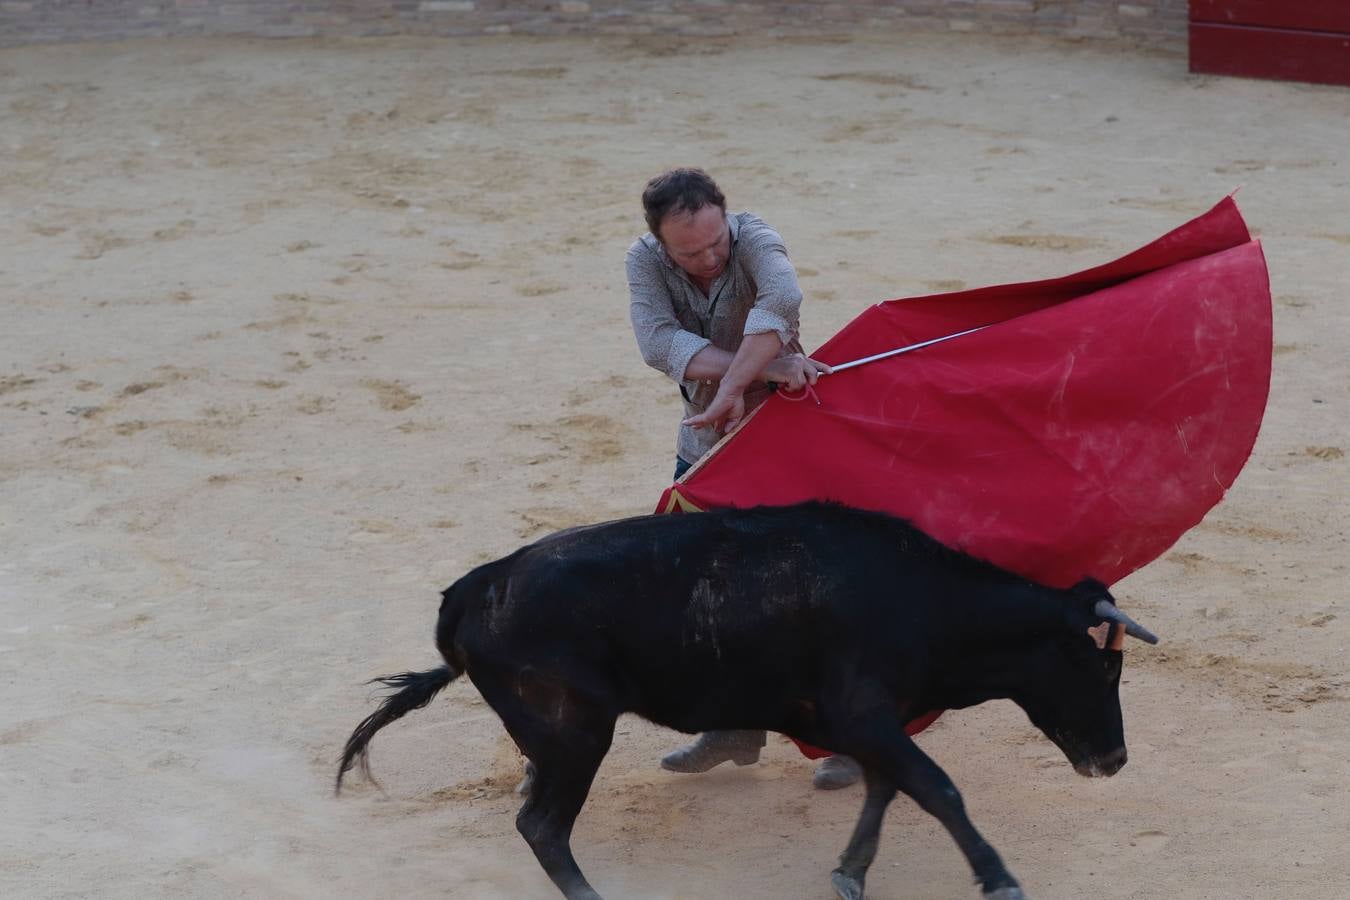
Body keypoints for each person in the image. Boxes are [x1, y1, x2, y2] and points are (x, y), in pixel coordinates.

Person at [626, 167, 861, 790]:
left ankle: (857, 733)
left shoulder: (757, 239)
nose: (706, 259)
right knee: (700, 591)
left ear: (727, 219)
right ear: (659, 241)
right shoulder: (644, 260)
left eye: (715, 245)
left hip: (790, 441)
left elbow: (778, 303)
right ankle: (736, 723)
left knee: (818, 597)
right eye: (689, 253)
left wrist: (731, 388)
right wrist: (766, 369)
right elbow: (657, 342)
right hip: (707, 445)